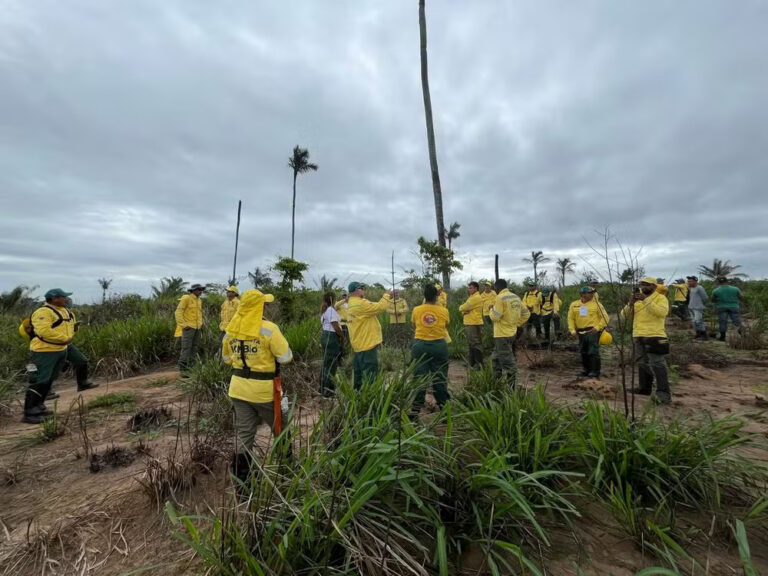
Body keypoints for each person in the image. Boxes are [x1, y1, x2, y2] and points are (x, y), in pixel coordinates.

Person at [222, 289, 293, 492]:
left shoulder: (231, 330)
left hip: (238, 389)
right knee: (281, 430)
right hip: (264, 392)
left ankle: (243, 486)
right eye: (264, 304)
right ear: (259, 307)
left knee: (244, 435)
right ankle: (287, 474)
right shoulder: (269, 329)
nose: (266, 307)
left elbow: (227, 359)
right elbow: (286, 357)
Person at [22, 288, 98, 424]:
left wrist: (72, 331)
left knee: (49, 379)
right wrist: (64, 338)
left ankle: (39, 406)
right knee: (40, 380)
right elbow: (44, 331)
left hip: (60, 349)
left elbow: (68, 327)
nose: (66, 299)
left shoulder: (65, 311)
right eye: (64, 297)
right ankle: (30, 412)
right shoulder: (43, 312)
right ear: (54, 298)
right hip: (44, 351)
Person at [621, 277, 672, 404]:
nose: (643, 287)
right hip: (638, 335)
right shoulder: (637, 300)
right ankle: (644, 388)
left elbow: (661, 313)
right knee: (642, 362)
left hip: (655, 335)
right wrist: (630, 304)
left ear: (653, 286)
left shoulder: (660, 298)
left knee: (657, 363)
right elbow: (624, 316)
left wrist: (646, 300)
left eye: (646, 284)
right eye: (641, 284)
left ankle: (663, 394)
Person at [410, 284, 451, 417]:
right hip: (439, 345)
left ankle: (415, 411)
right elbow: (446, 326)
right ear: (436, 296)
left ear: (424, 296)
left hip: (420, 345)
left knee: (419, 377)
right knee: (440, 377)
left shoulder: (416, 310)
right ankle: (444, 409)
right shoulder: (444, 311)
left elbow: (414, 325)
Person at [346, 281, 393, 389]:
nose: (364, 290)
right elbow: (380, 307)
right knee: (370, 374)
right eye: (362, 288)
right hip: (366, 344)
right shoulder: (361, 304)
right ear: (357, 290)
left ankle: (357, 394)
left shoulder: (351, 304)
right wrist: (386, 295)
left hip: (358, 345)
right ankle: (371, 395)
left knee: (358, 373)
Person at [489, 279, 530, 388]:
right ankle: (496, 383)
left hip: (502, 334)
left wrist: (491, 309)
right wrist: (517, 324)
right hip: (512, 333)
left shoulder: (500, 297)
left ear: (497, 287)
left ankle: (512, 388)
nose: (494, 290)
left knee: (508, 362)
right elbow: (526, 313)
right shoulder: (515, 297)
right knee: (496, 358)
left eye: (494, 288)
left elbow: (495, 317)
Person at [567, 286, 609, 378]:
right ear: (582, 294)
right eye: (588, 293)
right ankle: (586, 370)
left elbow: (605, 317)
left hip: (592, 332)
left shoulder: (597, 305)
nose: (591, 294)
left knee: (593, 351)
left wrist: (597, 328)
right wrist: (572, 330)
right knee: (583, 351)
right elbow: (570, 318)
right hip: (580, 332)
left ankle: (595, 371)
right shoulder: (574, 304)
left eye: (591, 293)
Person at [175, 283, 205, 372]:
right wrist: (184, 325)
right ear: (193, 290)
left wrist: (201, 324)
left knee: (194, 347)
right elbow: (178, 312)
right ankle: (183, 368)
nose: (200, 291)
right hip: (188, 328)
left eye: (201, 290)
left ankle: (192, 366)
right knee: (186, 347)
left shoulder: (199, 300)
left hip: (197, 328)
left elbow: (199, 314)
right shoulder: (186, 298)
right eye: (198, 289)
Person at [320, 292, 344, 397]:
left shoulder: (325, 310)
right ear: (332, 300)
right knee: (331, 364)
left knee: (326, 363)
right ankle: (328, 391)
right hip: (331, 337)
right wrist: (342, 336)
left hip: (325, 336)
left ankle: (322, 387)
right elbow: (335, 325)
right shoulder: (330, 310)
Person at [458, 281, 485, 369]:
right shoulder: (472, 297)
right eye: (468, 288)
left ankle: (479, 364)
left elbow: (463, 307)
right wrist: (464, 311)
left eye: (471, 288)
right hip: (471, 322)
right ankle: (472, 363)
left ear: (476, 288)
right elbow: (465, 309)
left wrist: (462, 309)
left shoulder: (475, 298)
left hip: (474, 323)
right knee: (471, 343)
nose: (469, 289)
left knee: (475, 343)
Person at [712, 277, 744, 341]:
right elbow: (741, 297)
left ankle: (722, 337)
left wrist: (719, 301)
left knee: (722, 321)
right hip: (734, 306)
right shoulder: (735, 289)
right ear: (727, 281)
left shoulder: (715, 290)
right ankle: (743, 335)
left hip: (721, 307)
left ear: (719, 283)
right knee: (737, 321)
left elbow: (713, 300)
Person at [687, 276, 709, 340]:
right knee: (694, 322)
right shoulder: (691, 288)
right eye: (688, 281)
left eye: (690, 281)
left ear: (695, 281)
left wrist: (701, 305)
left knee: (698, 321)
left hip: (698, 308)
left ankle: (704, 335)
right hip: (691, 307)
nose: (688, 282)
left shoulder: (699, 288)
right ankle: (698, 334)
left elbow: (705, 298)